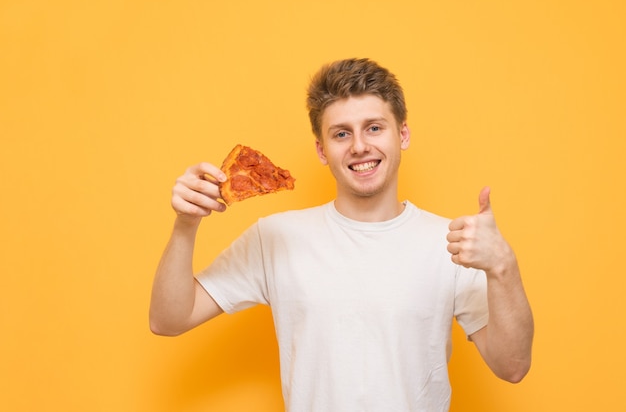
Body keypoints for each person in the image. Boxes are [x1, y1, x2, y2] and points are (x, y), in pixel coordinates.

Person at [149, 58, 534, 411]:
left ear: (402, 135)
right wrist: (186, 223)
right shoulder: (276, 238)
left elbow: (512, 366)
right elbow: (169, 319)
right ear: (321, 150)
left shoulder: (450, 242)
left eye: (374, 128)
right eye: (341, 134)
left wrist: (503, 266)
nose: (360, 146)